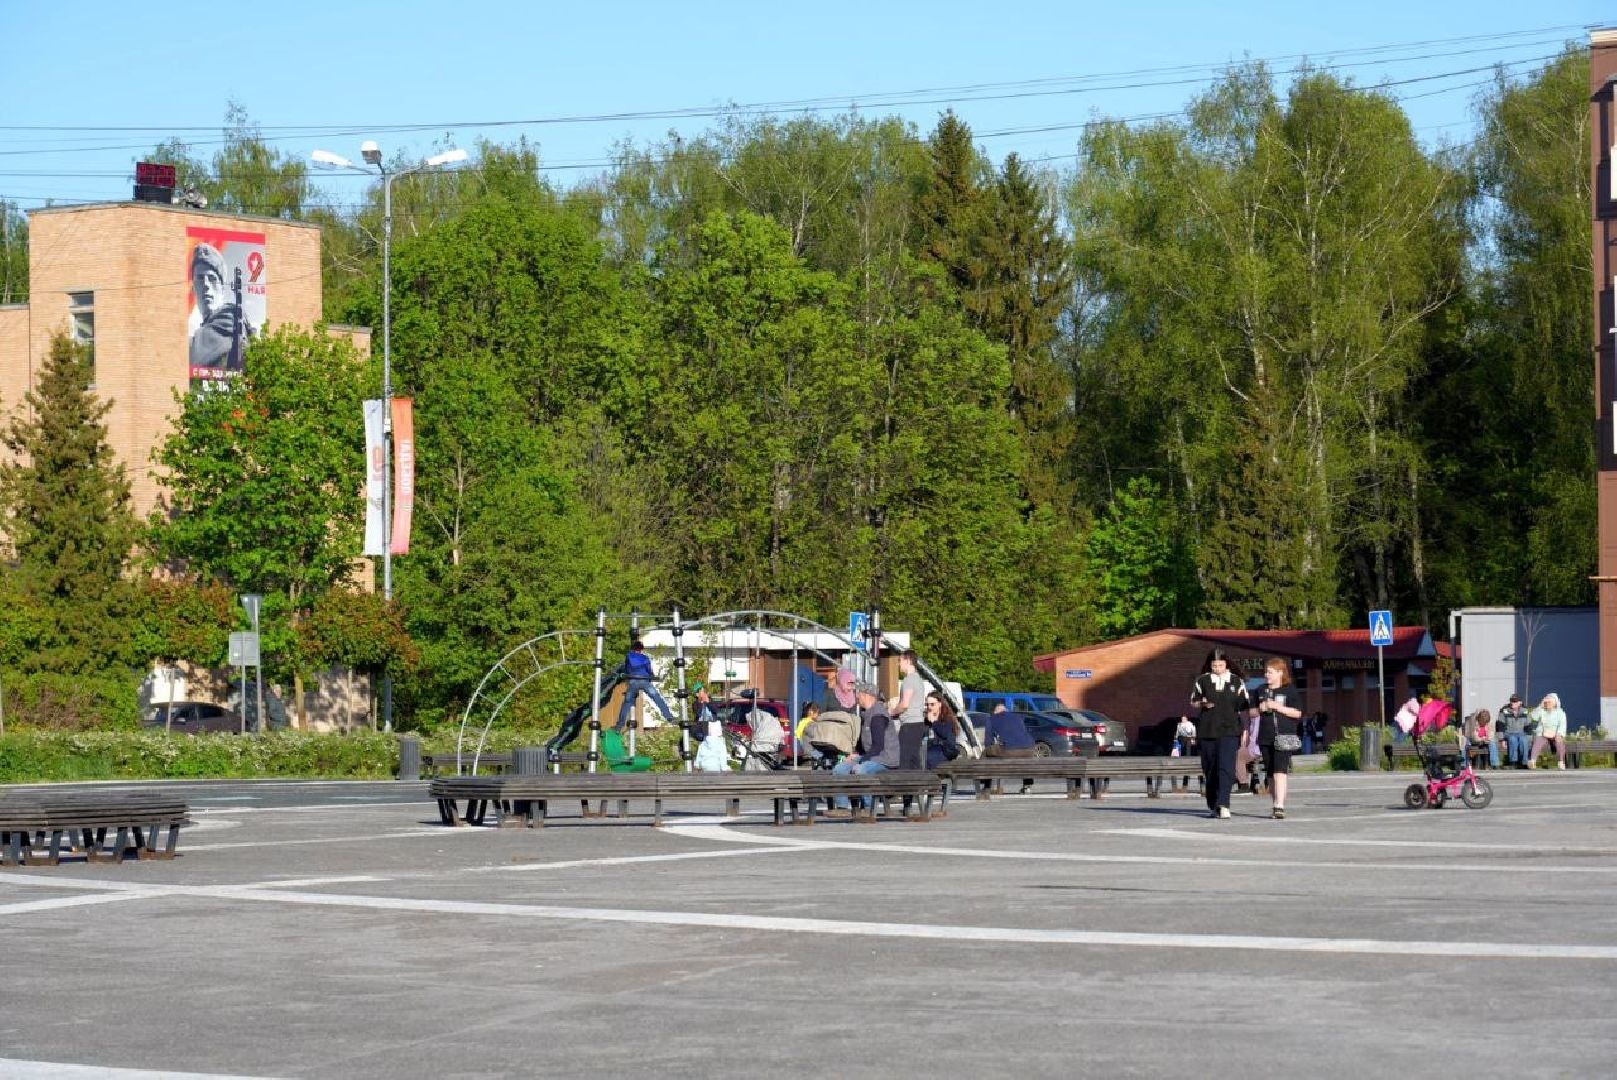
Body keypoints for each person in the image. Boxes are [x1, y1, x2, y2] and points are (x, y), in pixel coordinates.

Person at [1191, 648, 1251, 819]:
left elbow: (1244, 707)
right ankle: (1213, 803)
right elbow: (1193, 702)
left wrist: (1246, 729)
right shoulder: (1202, 681)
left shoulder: (1236, 681)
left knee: (1226, 767)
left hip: (1230, 730)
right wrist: (1202, 703)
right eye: (1214, 665)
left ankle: (1224, 803)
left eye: (1221, 665)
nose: (1218, 668)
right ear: (1210, 665)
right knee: (1210, 769)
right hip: (1207, 730)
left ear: (1227, 664)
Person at [831, 681, 898, 812]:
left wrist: (861, 760)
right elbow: (864, 744)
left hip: (885, 759)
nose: (857, 698)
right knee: (839, 769)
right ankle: (842, 807)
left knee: (860, 770)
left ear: (867, 695)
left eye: (858, 695)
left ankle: (868, 807)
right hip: (871, 756)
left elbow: (878, 746)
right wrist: (855, 754)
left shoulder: (878, 715)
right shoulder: (866, 714)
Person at [188, 242, 254, 371]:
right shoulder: (201, 330)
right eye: (200, 278)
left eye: (212, 278)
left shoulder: (231, 317)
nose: (206, 285)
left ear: (222, 289)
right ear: (193, 289)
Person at [1252, 657, 1304, 819]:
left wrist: (1278, 707)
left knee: (1280, 771)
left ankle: (1279, 805)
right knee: (1270, 773)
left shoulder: (1290, 690)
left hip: (1284, 734)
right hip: (1265, 736)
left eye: (1270, 672)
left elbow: (1297, 713)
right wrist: (1260, 709)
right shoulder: (1260, 690)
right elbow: (1251, 712)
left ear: (1280, 673)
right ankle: (1275, 804)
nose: (1267, 675)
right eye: (1266, 672)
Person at [615, 640, 675, 732]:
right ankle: (669, 717)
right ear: (641, 649)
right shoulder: (645, 658)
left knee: (627, 703)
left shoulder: (628, 656)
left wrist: (627, 676)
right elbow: (649, 670)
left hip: (633, 681)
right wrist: (651, 676)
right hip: (645, 680)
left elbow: (627, 668)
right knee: (657, 698)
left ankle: (619, 725)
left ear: (633, 648)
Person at [1528, 692, 1568, 769]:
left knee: (1559, 743)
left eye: (1550, 702)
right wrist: (1540, 706)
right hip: (1543, 733)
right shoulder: (1542, 710)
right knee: (1537, 743)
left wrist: (1559, 734)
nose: (1548, 704)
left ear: (1555, 703)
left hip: (1555, 733)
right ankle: (1532, 761)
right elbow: (1533, 717)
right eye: (1547, 702)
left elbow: (1562, 725)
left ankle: (1561, 762)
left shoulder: (1560, 713)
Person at [923, 692, 963, 769]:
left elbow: (945, 733)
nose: (929, 707)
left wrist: (934, 722)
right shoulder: (927, 720)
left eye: (932, 704)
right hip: (930, 748)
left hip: (944, 750)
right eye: (927, 704)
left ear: (939, 704)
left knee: (929, 757)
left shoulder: (947, 718)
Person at [890, 649, 928, 728]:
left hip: (910, 724)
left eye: (900, 660)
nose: (898, 664)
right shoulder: (918, 679)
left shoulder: (909, 679)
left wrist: (892, 712)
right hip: (917, 723)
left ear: (908, 661)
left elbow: (904, 705)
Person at [1499, 694, 1531, 767]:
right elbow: (1500, 726)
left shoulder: (1525, 711)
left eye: (1515, 701)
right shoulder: (1504, 711)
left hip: (1521, 733)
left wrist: (1529, 739)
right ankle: (1513, 762)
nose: (1512, 703)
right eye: (1511, 701)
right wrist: (1502, 740)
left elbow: (1528, 726)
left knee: (1524, 740)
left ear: (1520, 702)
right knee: (1513, 739)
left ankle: (1524, 763)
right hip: (1508, 733)